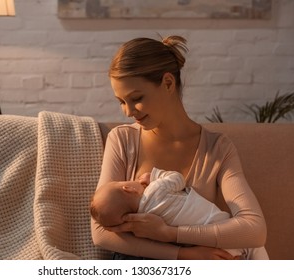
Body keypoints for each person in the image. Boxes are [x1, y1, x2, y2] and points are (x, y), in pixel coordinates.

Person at [90, 35, 267, 260]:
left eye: (136, 98)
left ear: (168, 83)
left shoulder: (217, 148)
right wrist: (181, 254)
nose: (127, 111)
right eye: (121, 101)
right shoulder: (123, 140)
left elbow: (254, 230)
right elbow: (101, 234)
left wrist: (169, 233)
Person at [90, 167, 268, 259]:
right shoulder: (155, 189)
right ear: (128, 188)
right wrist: (154, 175)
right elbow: (177, 179)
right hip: (224, 230)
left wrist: (169, 235)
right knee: (255, 247)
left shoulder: (141, 226)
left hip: (206, 250)